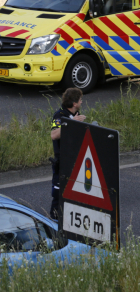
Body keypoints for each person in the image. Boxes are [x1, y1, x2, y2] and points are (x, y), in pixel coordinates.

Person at [50, 88, 86, 220]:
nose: (82, 102)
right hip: (62, 162)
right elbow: (54, 135)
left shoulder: (75, 114)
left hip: (74, 160)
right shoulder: (58, 116)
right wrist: (73, 123)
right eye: (80, 100)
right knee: (59, 192)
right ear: (74, 103)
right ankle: (54, 220)